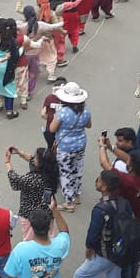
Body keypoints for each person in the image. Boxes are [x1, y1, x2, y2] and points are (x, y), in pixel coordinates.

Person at [73, 171, 138, 278]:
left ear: (104, 188)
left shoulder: (100, 210)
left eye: (99, 180)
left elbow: (93, 234)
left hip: (105, 254)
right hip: (120, 250)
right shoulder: (124, 202)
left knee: (80, 276)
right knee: (114, 275)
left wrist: (89, 247)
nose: (96, 181)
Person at [48, 82, 90, 210]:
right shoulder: (86, 111)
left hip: (65, 147)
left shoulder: (62, 113)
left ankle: (69, 202)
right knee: (78, 169)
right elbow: (89, 125)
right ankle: (77, 194)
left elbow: (52, 128)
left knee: (66, 172)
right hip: (81, 144)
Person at [2, 204, 70, 278]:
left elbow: (11, 276)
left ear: (31, 226)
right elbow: (64, 231)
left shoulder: (21, 249)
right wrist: (54, 209)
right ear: (49, 226)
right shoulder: (60, 245)